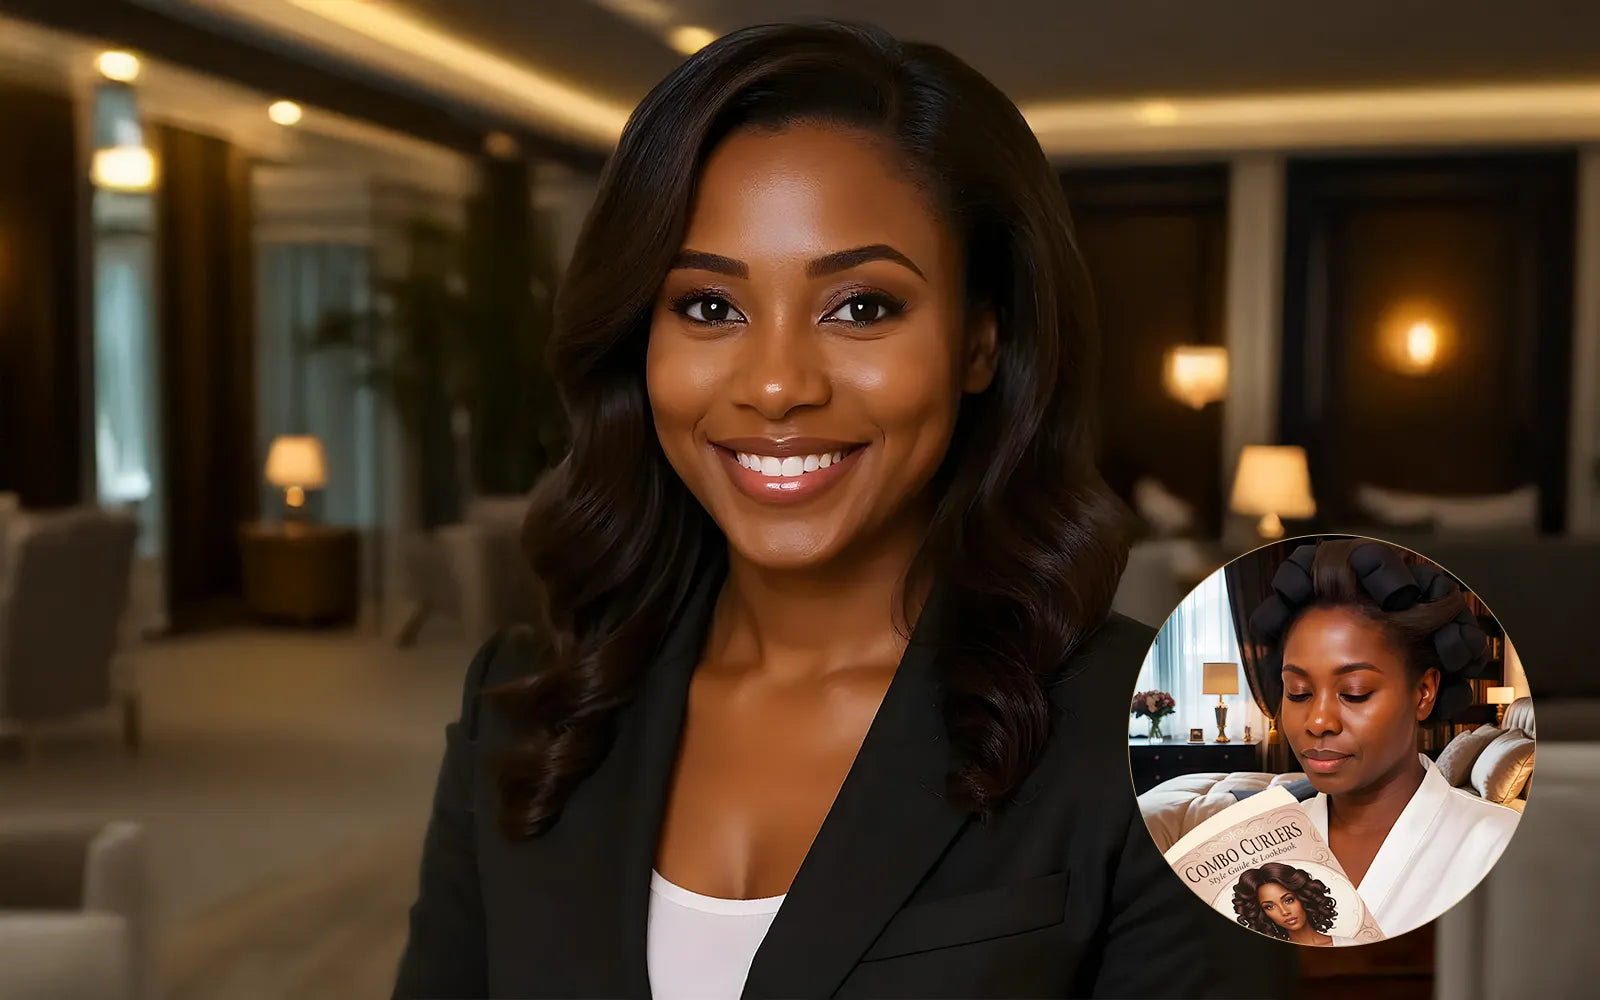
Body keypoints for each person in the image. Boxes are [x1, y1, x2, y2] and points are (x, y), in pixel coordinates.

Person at [392, 20, 1294, 998]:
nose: (776, 385)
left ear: (980, 342)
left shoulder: (1184, 749)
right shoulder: (524, 704)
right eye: (708, 306)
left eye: (860, 306)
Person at [1244, 537, 1521, 940]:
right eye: (1298, 692)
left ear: (1423, 692)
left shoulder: (1498, 843)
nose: (1318, 721)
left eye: (1355, 692)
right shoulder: (1257, 847)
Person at [1232, 863, 1338, 946]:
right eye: (1270, 907)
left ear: (1303, 898)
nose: (1284, 911)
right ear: (1263, 914)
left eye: (1288, 900)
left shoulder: (1347, 945)